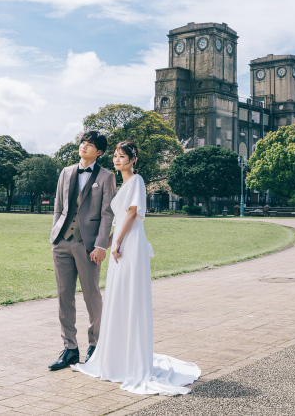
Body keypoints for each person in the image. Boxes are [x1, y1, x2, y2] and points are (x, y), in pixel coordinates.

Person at [72, 140, 200, 395]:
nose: (117, 160)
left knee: (130, 297)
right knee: (118, 298)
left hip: (131, 245)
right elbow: (119, 218)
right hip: (120, 243)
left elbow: (132, 213)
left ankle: (133, 360)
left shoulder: (137, 181)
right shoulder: (122, 185)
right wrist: (106, 245)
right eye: (116, 157)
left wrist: (117, 241)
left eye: (122, 157)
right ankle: (118, 357)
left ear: (133, 159)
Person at [48, 131, 115, 371]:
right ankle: (70, 349)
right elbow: (58, 206)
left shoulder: (107, 177)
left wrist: (100, 245)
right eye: (82, 143)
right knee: (64, 296)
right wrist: (55, 235)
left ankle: (96, 346)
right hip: (62, 242)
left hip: (88, 247)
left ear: (99, 152)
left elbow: (108, 213)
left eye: (90, 145)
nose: (84, 146)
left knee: (91, 296)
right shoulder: (66, 172)